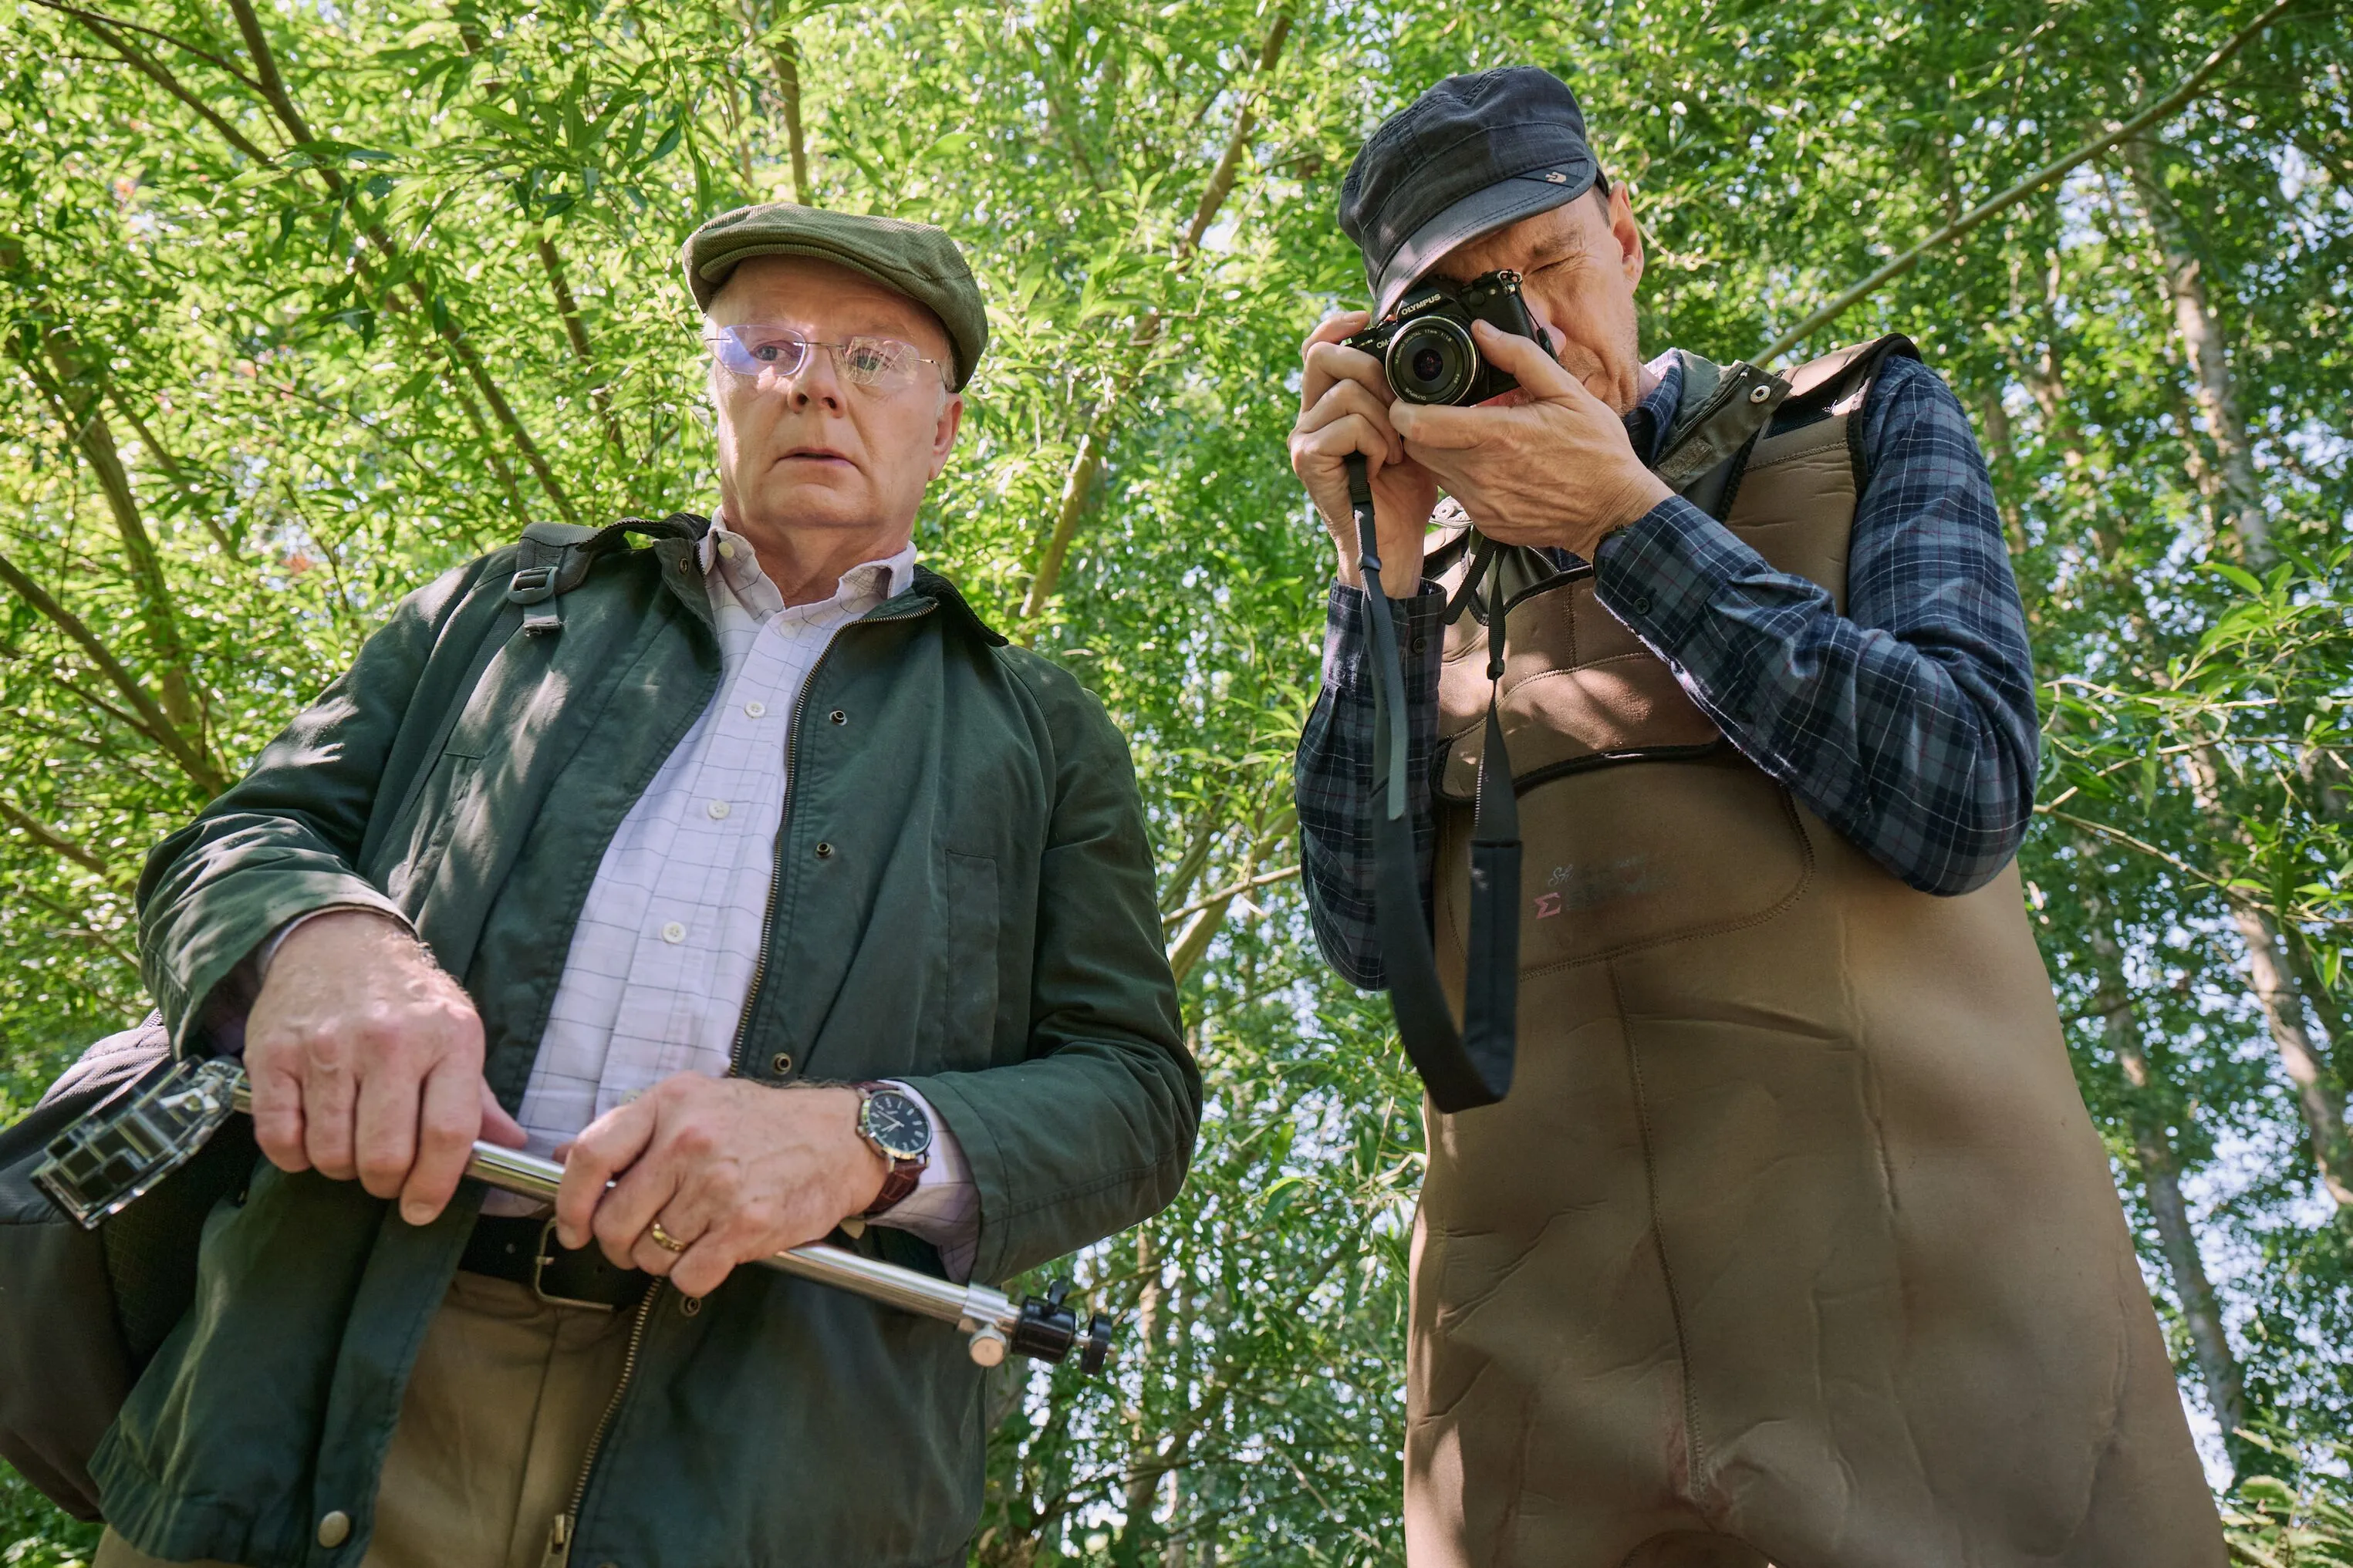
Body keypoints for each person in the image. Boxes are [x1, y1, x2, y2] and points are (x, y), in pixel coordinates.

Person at [91, 203, 1198, 1568]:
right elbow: (235, 843)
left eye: (872, 358)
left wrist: (865, 1141)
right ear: (717, 390)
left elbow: (1135, 1098)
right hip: (317, 1376)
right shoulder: (501, 611)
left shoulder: (1041, 731)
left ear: (946, 427)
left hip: (774, 1464)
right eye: (767, 346)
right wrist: (320, 942)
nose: (813, 385)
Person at [1289, 67, 2226, 1568]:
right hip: (1542, 1391)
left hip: (1947, 1350)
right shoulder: (1421, 580)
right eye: (1467, 305)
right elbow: (1358, 928)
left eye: (1545, 266)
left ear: (1628, 238)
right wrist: (1377, 575)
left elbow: (1961, 787)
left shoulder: (1855, 423)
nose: (1525, 322)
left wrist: (1625, 524)